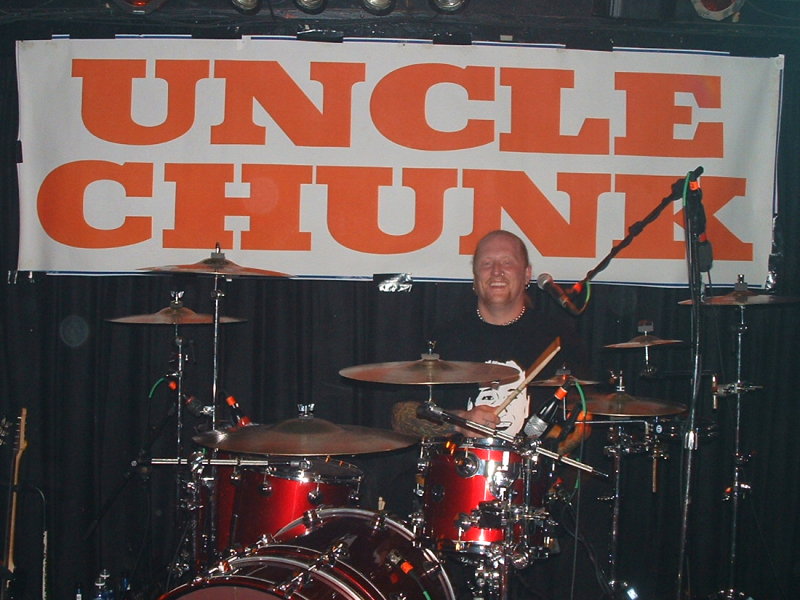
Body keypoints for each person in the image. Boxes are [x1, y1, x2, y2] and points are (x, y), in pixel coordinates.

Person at [391, 229, 590, 445]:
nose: (496, 271)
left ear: (526, 275)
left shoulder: (558, 338)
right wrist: (460, 421)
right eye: (486, 263)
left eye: (507, 262)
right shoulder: (444, 337)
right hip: (459, 462)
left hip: (532, 464)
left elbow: (584, 411)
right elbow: (400, 416)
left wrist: (562, 442)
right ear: (475, 277)